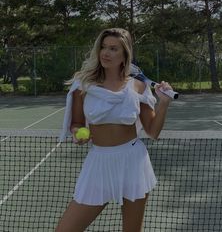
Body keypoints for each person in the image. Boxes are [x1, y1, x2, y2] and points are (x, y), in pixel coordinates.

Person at [56, 28, 173, 232]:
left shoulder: (138, 87)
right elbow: (76, 123)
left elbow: (153, 132)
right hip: (99, 163)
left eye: (113, 48)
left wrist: (163, 103)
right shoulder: (83, 85)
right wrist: (77, 133)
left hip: (133, 162)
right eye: (103, 47)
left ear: (124, 54)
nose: (105, 53)